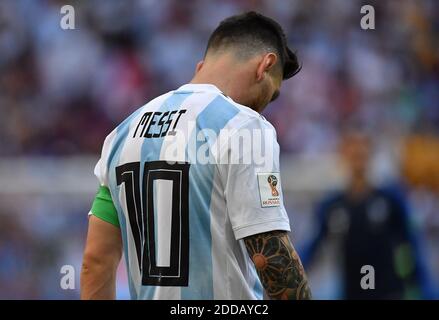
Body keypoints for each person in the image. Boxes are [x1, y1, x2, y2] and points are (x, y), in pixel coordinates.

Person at [80, 11, 311, 300]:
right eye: (272, 94)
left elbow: (96, 262)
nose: (265, 106)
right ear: (265, 66)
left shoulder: (121, 134)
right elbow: (273, 257)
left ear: (202, 67)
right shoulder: (246, 126)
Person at [301, 131, 425, 299]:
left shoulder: (390, 199)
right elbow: (314, 246)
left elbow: (412, 243)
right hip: (352, 292)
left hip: (389, 291)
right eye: (354, 154)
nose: (358, 159)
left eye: (362, 153)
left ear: (370, 156)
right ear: (344, 156)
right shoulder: (332, 205)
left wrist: (422, 284)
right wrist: (293, 271)